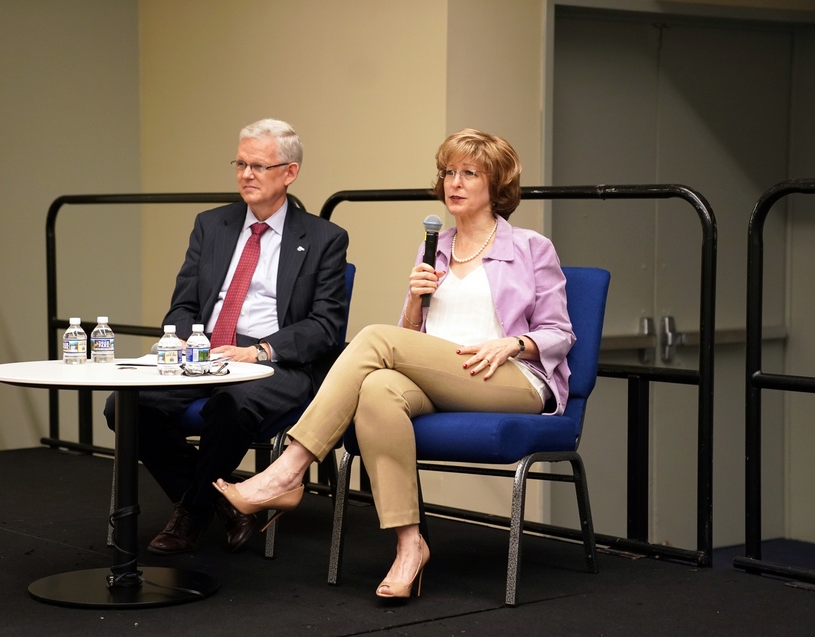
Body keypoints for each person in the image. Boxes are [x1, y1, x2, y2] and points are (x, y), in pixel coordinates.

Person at [214, 128, 574, 600]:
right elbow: (409, 336)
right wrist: (417, 298)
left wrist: (514, 343)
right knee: (378, 388)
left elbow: (560, 333)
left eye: (469, 173)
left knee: (373, 339)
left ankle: (288, 470)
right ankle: (410, 546)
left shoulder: (531, 247)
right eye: (449, 172)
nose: (455, 183)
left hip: (509, 378)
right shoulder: (435, 245)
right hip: (444, 373)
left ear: (497, 185)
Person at [105, 119, 349, 555]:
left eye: (258, 165)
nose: (246, 175)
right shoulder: (211, 225)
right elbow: (183, 305)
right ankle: (226, 503)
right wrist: (178, 339)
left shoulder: (323, 238)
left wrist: (259, 351)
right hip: (204, 353)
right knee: (123, 404)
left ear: (289, 173)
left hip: (275, 361)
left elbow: (325, 326)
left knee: (229, 407)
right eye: (240, 163)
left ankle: (191, 512)